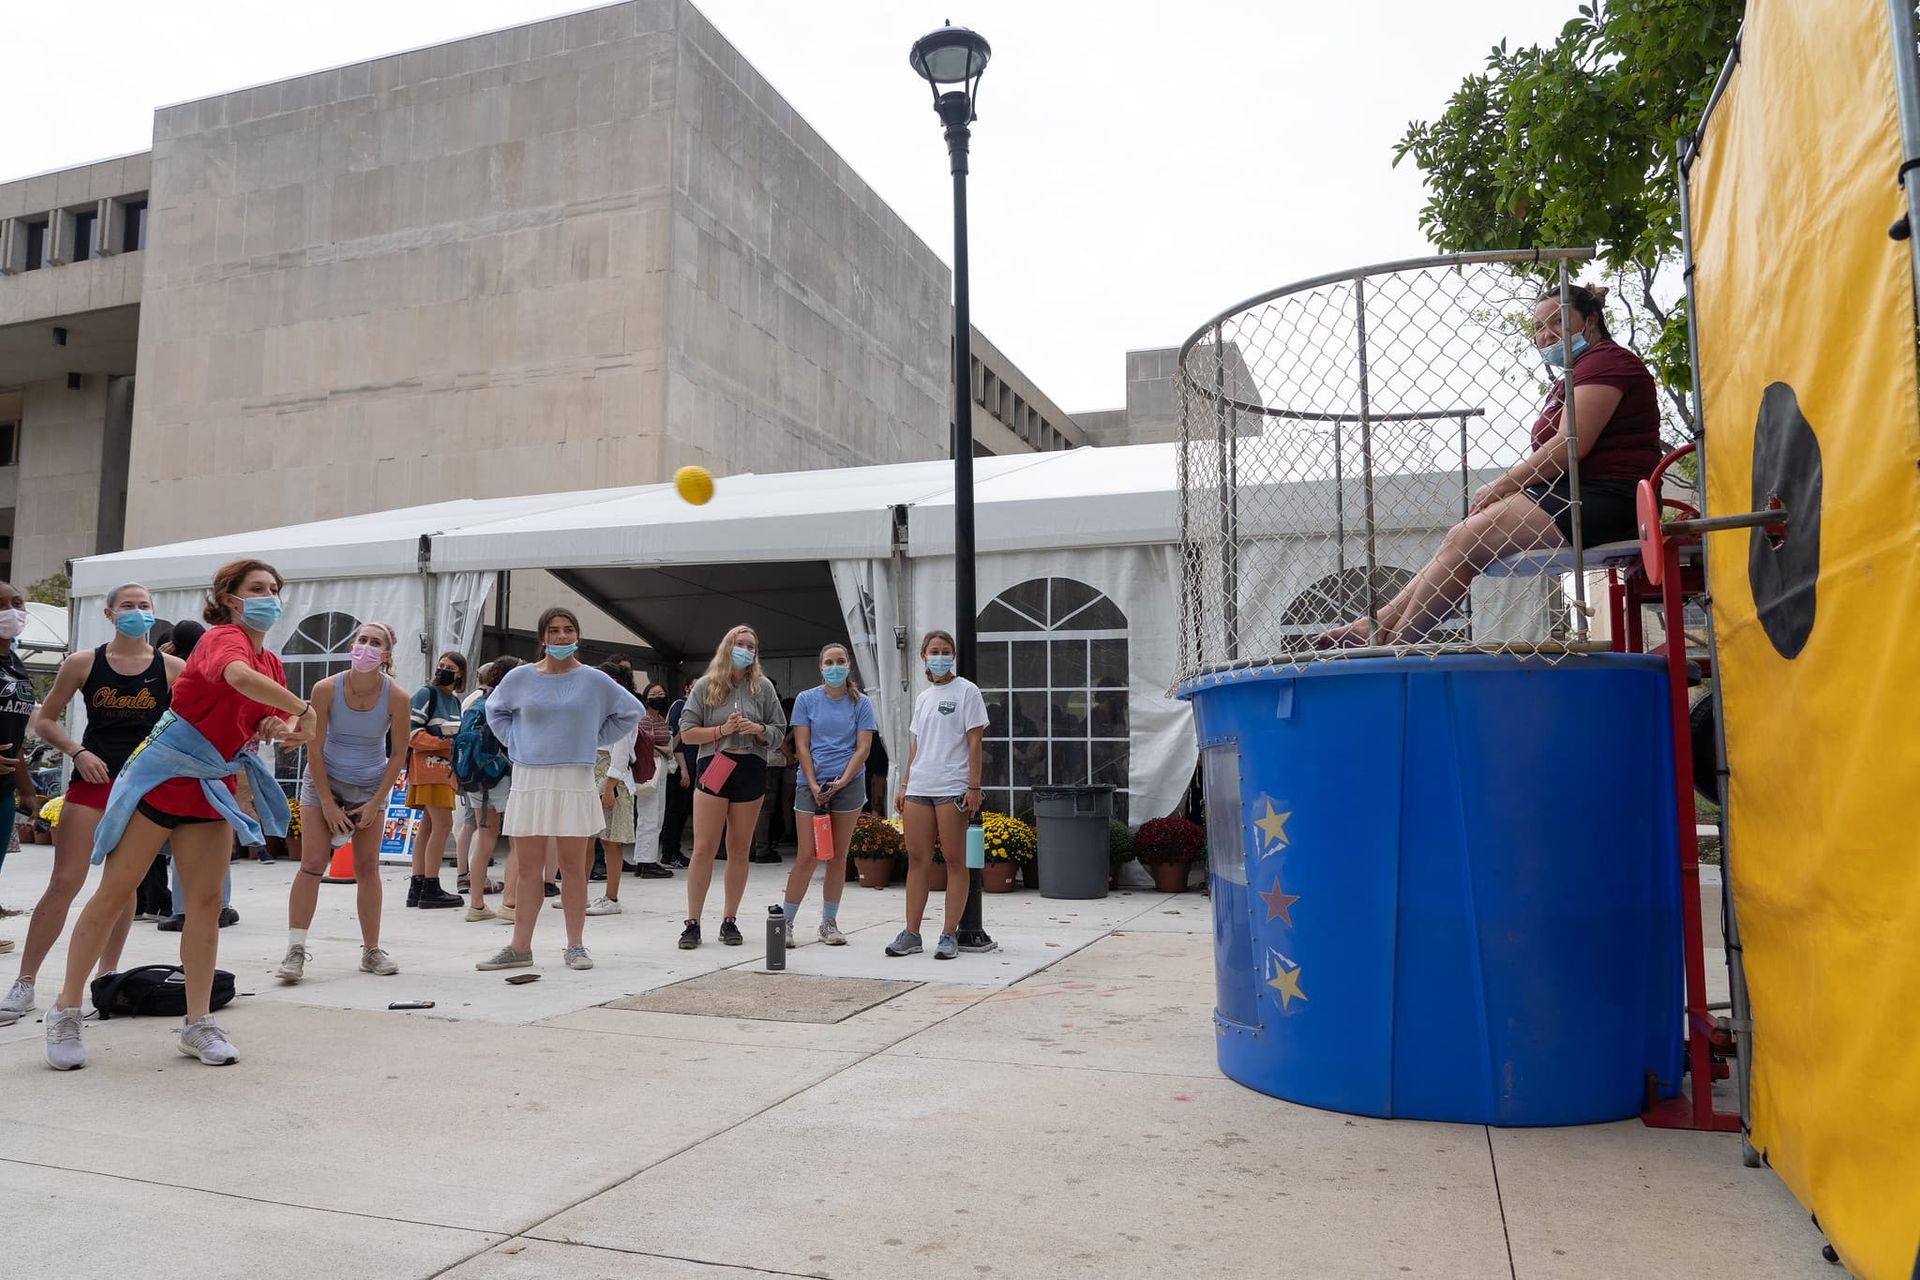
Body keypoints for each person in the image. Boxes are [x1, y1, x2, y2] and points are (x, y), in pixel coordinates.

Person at [45, 559, 309, 1069]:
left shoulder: (271, 663)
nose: (270, 597)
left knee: (205, 906)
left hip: (209, 785)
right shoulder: (222, 640)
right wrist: (304, 708)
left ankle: (197, 1023)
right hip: (161, 779)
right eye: (257, 588)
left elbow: (264, 719)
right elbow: (237, 677)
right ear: (230, 597)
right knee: (114, 892)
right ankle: (66, 1009)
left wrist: (281, 726)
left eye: (275, 588)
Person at [1317, 283, 1663, 647]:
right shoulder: (1573, 375)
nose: (1546, 335)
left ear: (1590, 321)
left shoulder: (1606, 361)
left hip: (1611, 497)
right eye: (1538, 327)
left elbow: (1569, 444)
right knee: (1461, 536)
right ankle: (1377, 626)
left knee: (1472, 538)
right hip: (1575, 492)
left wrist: (1502, 485)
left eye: (1558, 322)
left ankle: (1395, 645)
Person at [0, 584, 181, 1021]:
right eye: (127, 606)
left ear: (153, 612)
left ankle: (106, 979)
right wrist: (78, 751)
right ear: (109, 613)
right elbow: (46, 721)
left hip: (142, 786)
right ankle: (25, 981)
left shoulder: (173, 668)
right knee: (65, 881)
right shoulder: (83, 662)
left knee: (123, 885)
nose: (136, 612)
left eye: (143, 605)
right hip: (92, 781)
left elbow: (188, 724)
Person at [476, 608, 642, 972]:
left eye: (568, 629)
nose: (562, 636)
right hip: (530, 778)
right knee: (528, 870)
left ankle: (575, 945)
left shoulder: (594, 680)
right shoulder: (520, 677)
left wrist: (592, 738)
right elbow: (494, 710)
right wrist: (515, 742)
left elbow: (632, 711)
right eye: (554, 630)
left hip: (575, 777)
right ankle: (520, 947)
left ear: (577, 635)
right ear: (543, 637)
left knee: (573, 868)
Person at [274, 621, 411, 983]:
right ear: (352, 646)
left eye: (376, 642)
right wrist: (327, 802)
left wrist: (376, 802)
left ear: (387, 654)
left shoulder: (397, 697)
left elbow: (399, 754)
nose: (366, 647)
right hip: (325, 782)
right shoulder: (325, 689)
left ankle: (371, 950)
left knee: (367, 868)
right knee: (312, 864)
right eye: (362, 639)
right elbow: (314, 746)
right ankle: (295, 949)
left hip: (370, 786)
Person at [676, 626, 785, 949]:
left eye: (751, 646)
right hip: (716, 762)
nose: (746, 650)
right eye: (740, 644)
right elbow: (687, 732)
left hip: (751, 765)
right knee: (704, 846)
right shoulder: (706, 685)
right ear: (727, 647)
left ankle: (729, 920)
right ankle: (692, 922)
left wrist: (759, 729)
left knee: (740, 847)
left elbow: (779, 732)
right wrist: (722, 730)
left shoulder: (763, 687)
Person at [888, 630, 988, 961]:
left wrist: (974, 785)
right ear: (924, 656)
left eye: (946, 651)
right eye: (934, 651)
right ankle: (911, 932)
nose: (940, 657)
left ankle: (948, 934)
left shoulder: (967, 691)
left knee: (954, 860)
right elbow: (916, 744)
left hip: (951, 787)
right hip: (920, 786)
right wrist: (905, 784)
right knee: (918, 860)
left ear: (953, 655)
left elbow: (975, 740)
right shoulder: (923, 697)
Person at [781, 643, 876, 947]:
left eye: (840, 661)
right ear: (820, 667)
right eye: (829, 662)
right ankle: (785, 923)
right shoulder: (807, 699)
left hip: (849, 785)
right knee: (807, 856)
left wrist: (843, 781)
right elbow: (802, 745)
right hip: (811, 784)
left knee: (837, 857)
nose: (835, 667)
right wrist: (812, 784)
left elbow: (863, 748)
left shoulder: (861, 703)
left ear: (849, 665)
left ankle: (828, 923)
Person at [459, 656, 521, 922]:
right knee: (518, 840)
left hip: (475, 778)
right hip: (502, 777)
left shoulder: (478, 702)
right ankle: (510, 903)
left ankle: (476, 905)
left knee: (484, 839)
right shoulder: (509, 705)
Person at [405, 651, 467, 908]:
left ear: (460, 674)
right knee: (442, 825)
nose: (443, 670)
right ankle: (431, 885)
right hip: (431, 768)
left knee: (428, 827)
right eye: (441, 665)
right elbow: (411, 733)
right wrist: (444, 744)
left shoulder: (454, 701)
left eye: (449, 667)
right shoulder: (426, 694)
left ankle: (418, 885)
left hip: (441, 769)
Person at [583, 658, 642, 916]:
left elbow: (621, 751)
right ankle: (580, 892)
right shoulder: (597, 708)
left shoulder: (624, 709)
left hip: (611, 777)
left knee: (610, 841)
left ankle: (611, 897)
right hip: (592, 771)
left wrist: (610, 786)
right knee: (586, 838)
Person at [0, 583, 40, 890]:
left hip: (4, 788)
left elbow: (16, 737)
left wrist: (26, 790)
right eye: (1, 606)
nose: (12, 611)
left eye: (17, 603)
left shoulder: (16, 664)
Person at [629, 681, 673, 880]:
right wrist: (665, 750)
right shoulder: (644, 719)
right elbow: (643, 744)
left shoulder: (661, 718)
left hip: (660, 766)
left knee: (656, 814)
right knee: (650, 815)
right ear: (646, 698)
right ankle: (647, 862)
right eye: (653, 694)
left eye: (661, 694)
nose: (658, 697)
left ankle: (645, 859)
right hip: (650, 766)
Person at [658, 679, 697, 869]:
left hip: (693, 767)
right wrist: (684, 769)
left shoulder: (700, 708)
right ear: (686, 688)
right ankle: (668, 853)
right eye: (695, 686)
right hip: (679, 768)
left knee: (683, 813)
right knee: (675, 812)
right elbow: (674, 742)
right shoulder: (680, 706)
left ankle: (675, 850)